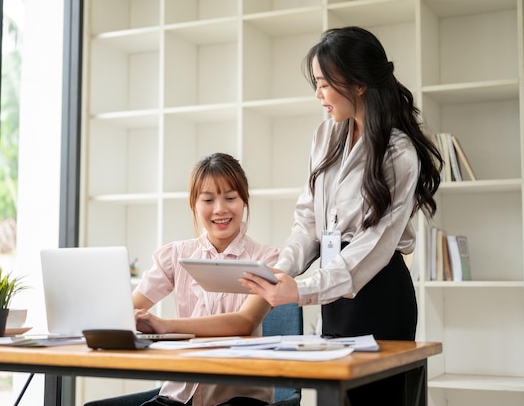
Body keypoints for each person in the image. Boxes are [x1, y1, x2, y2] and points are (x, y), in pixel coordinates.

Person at [240, 26, 442, 405]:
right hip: (334, 295)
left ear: (358, 83)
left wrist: (300, 289)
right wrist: (280, 273)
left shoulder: (398, 153)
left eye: (323, 84)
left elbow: (372, 249)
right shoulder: (325, 135)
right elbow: (308, 221)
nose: (318, 94)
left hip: (379, 293)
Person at [86, 152, 279, 406]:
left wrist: (165, 326)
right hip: (178, 394)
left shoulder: (265, 259)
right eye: (208, 199)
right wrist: (126, 317)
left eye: (230, 198)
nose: (220, 209)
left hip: (238, 397)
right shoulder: (176, 255)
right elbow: (129, 308)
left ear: (244, 201)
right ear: (194, 205)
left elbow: (244, 323)